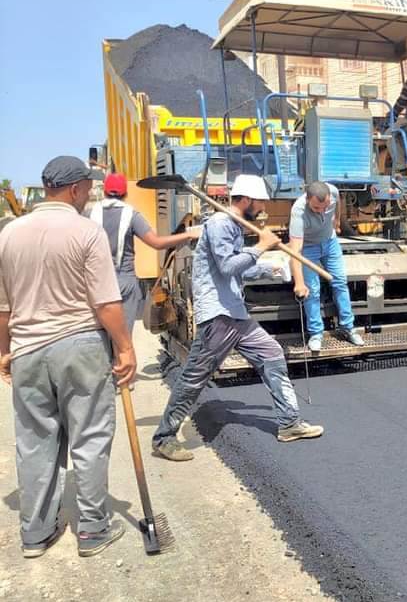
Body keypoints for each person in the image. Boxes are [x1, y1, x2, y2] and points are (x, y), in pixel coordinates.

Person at [0, 156, 136, 559]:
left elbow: (3, 307)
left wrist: (4, 350)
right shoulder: (86, 232)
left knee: (34, 442)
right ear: (75, 189)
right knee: (90, 436)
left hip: (27, 349)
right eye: (88, 188)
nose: (89, 194)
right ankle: (92, 529)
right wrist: (125, 347)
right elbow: (106, 302)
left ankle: (36, 534)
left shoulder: (9, 233)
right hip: (80, 346)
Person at [152, 174, 323, 461]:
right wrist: (261, 246)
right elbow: (228, 266)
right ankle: (164, 437)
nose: (263, 208)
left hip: (235, 313)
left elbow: (240, 269)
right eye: (260, 202)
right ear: (245, 199)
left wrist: (269, 268)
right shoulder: (220, 224)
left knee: (271, 354)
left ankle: (289, 422)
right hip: (217, 316)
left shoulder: (234, 225)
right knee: (194, 378)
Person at [90, 172, 200, 332]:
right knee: (123, 336)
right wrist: (188, 234)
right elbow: (157, 243)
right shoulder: (131, 215)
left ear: (104, 192)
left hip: (98, 282)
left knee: (101, 333)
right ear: (125, 193)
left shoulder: (90, 214)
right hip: (124, 283)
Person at [288, 181, 364, 353]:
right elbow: (295, 251)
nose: (322, 211)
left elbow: (338, 204)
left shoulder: (333, 192)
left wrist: (337, 220)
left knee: (340, 282)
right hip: (308, 248)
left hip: (330, 243)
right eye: (316, 208)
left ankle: (348, 328)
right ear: (307, 200)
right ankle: (316, 334)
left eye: (325, 207)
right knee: (312, 290)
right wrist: (299, 283)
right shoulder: (298, 212)